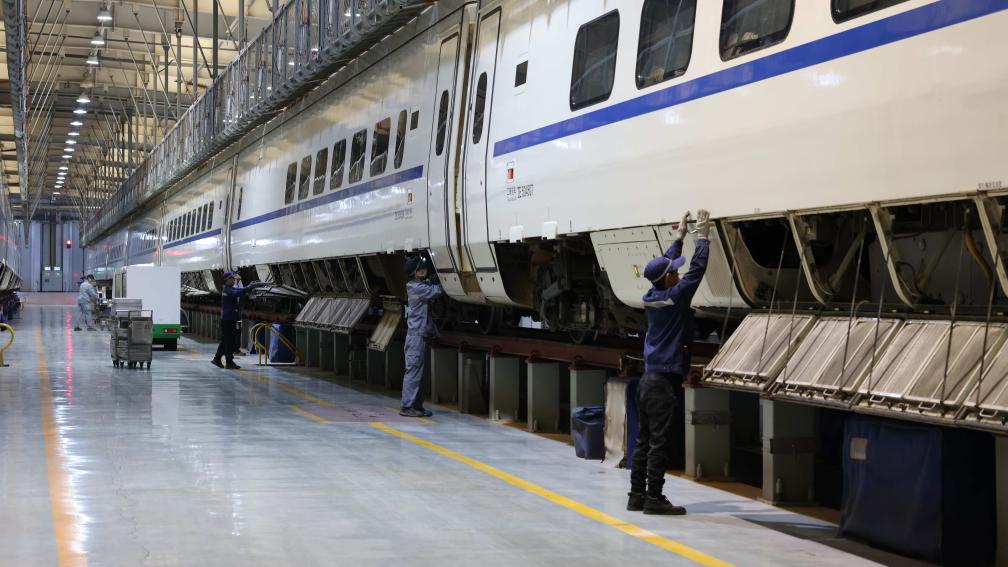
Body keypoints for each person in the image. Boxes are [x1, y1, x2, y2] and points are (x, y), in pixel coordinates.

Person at [627, 209, 710, 516]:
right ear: (668, 278)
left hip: (648, 380)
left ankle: (636, 496)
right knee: (659, 443)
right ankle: (654, 498)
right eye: (674, 271)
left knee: (644, 440)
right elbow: (697, 270)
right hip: (663, 384)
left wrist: (679, 239)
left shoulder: (654, 295)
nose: (678, 272)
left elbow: (664, 265)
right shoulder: (677, 297)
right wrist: (703, 238)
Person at [399, 256, 443, 417]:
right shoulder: (417, 288)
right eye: (421, 268)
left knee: (418, 372)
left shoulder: (416, 286)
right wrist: (443, 280)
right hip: (416, 337)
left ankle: (417, 405)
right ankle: (406, 406)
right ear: (415, 272)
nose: (424, 269)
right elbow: (437, 291)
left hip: (419, 336)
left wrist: (431, 280)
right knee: (413, 371)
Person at [212, 272, 262, 369]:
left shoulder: (229, 288)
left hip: (229, 319)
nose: (233, 280)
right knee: (229, 341)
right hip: (228, 320)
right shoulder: (227, 290)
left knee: (225, 340)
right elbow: (237, 293)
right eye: (231, 278)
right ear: (226, 280)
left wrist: (248, 287)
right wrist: (249, 287)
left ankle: (217, 359)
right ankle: (229, 362)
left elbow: (238, 290)